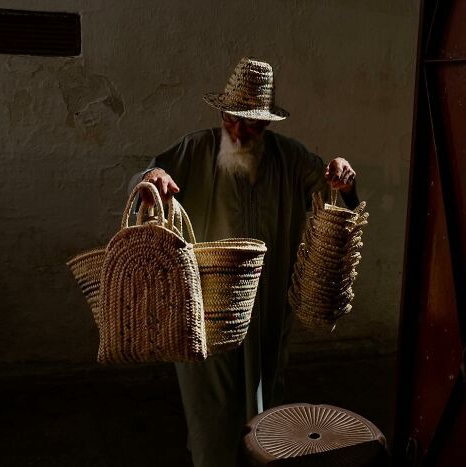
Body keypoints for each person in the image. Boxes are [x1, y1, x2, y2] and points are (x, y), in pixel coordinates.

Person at [129, 57, 359, 467]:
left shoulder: (290, 158)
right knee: (210, 406)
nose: (239, 131)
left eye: (251, 124)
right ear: (222, 114)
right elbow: (149, 173)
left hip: (268, 306)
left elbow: (331, 187)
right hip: (206, 305)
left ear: (267, 123)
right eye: (232, 120)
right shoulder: (195, 149)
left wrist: (344, 176)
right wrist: (152, 179)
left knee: (265, 400)